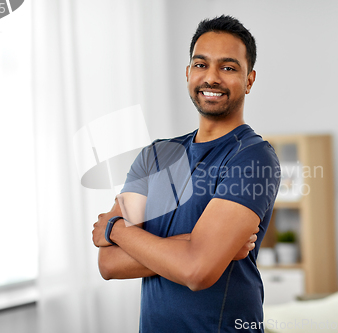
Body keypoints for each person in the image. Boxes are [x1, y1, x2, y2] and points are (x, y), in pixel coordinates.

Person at [92, 15, 280, 333]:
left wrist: (117, 230)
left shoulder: (252, 158)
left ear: (249, 80)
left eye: (228, 67)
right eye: (201, 64)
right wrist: (197, 245)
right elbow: (108, 264)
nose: (212, 77)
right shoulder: (156, 156)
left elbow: (196, 271)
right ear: (188, 73)